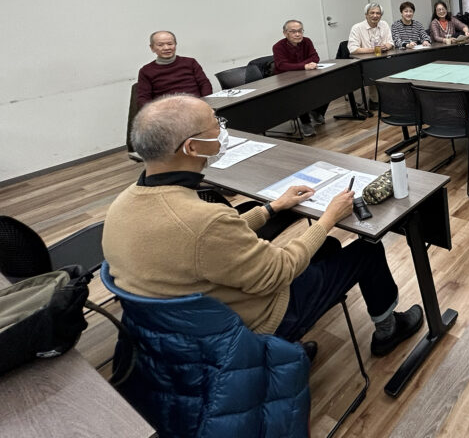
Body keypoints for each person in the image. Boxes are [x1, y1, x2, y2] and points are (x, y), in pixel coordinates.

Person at [103, 95, 423, 361]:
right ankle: (388, 332)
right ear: (192, 148)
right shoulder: (205, 221)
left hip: (183, 331)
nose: (222, 130)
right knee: (367, 250)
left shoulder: (123, 205)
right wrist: (328, 218)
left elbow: (208, 241)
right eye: (215, 124)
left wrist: (271, 208)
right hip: (251, 326)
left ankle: (285, 353)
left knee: (327, 249)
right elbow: (277, 270)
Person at [272, 20, 326, 136]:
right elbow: (282, 65)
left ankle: (316, 112)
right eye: (293, 32)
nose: (297, 34)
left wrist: (301, 66)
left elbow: (315, 57)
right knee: (300, 92)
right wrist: (304, 66)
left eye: (300, 31)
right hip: (286, 81)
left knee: (328, 84)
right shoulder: (278, 47)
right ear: (285, 33)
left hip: (306, 76)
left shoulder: (307, 41)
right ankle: (305, 122)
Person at [136, 30, 213, 108]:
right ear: (152, 48)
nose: (166, 48)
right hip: (167, 111)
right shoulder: (146, 71)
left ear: (175, 44)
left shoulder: (190, 62)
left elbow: (204, 84)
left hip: (196, 107)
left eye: (170, 44)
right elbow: (143, 98)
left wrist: (204, 104)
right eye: (160, 45)